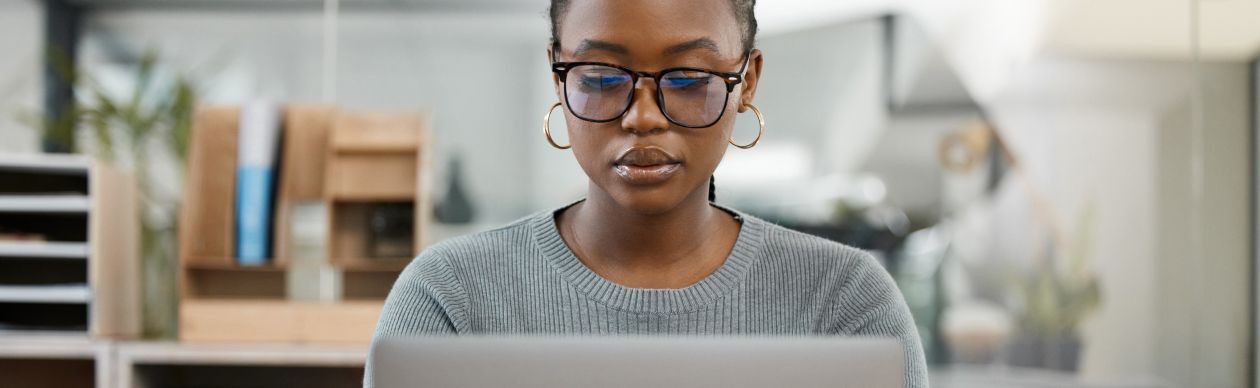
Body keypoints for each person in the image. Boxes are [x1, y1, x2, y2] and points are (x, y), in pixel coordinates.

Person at [367, 0, 927, 386]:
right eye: (602, 77)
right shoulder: (449, 298)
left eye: (688, 80)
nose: (642, 118)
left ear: (746, 82)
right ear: (557, 77)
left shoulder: (845, 303)